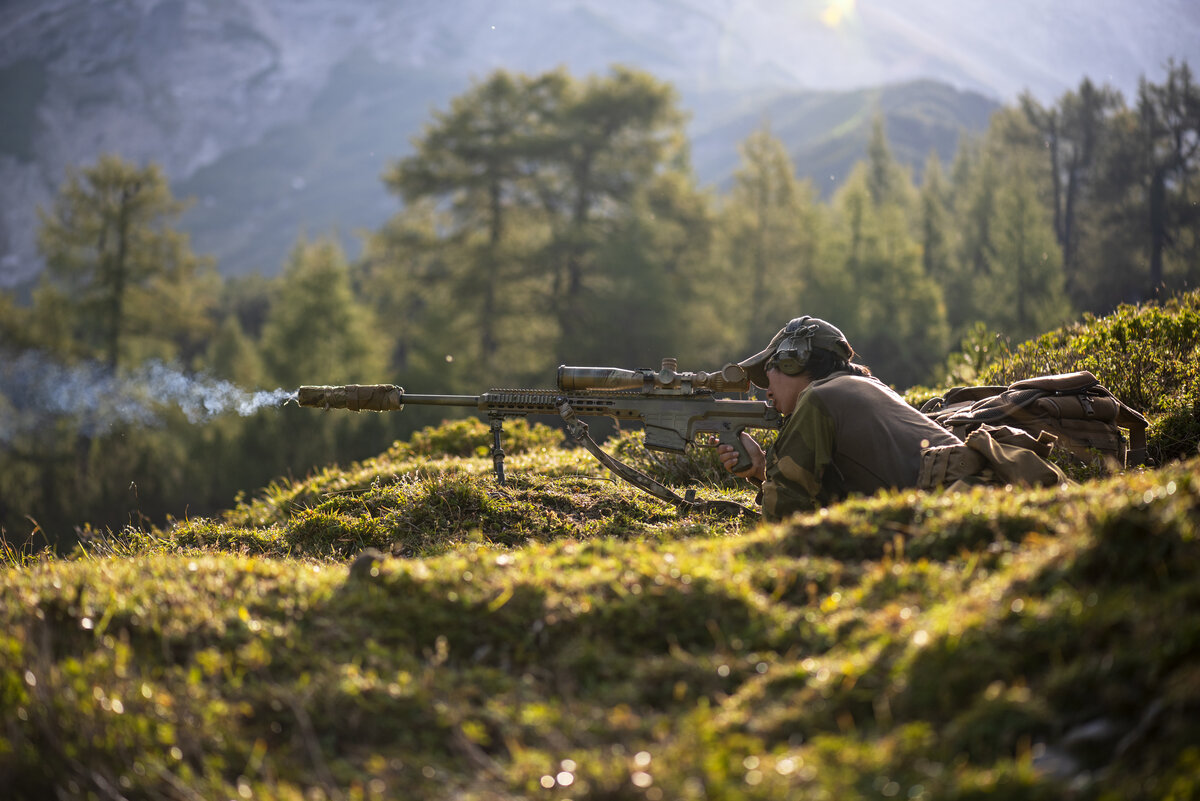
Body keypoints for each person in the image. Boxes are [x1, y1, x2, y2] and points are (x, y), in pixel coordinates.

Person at [718, 316, 962, 520]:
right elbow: (834, 493)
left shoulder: (818, 397)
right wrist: (761, 467)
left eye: (769, 377)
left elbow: (784, 514)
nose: (768, 392)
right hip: (964, 494)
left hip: (955, 502)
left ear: (792, 363)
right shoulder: (861, 387)